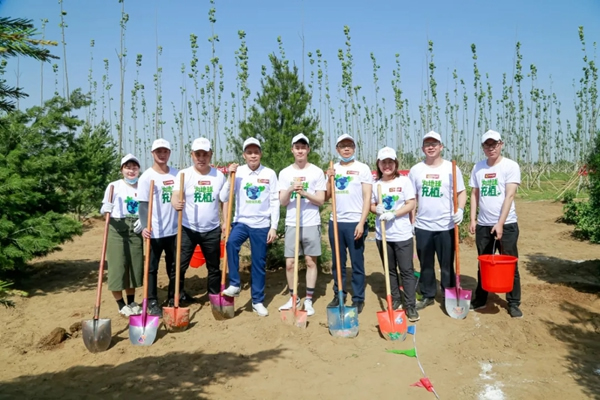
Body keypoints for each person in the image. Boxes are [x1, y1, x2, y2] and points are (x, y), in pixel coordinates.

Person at [221, 138, 280, 317]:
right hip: (241, 222)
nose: (253, 155)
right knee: (231, 243)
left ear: (260, 154)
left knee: (259, 263)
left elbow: (275, 201)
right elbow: (224, 197)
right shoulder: (237, 173)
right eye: (249, 152)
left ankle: (257, 301)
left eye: (256, 152)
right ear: (244, 155)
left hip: (262, 224)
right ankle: (235, 284)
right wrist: (229, 177)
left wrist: (274, 226)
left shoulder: (269, 174)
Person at [409, 131, 466, 310]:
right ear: (423, 148)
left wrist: (461, 210)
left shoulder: (451, 168)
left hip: (446, 226)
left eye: (434, 144)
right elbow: (412, 197)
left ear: (441, 147)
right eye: (427, 144)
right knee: (426, 263)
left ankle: (449, 293)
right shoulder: (416, 170)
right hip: (423, 226)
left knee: (447, 264)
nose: (431, 147)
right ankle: (428, 294)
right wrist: (412, 220)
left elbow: (461, 192)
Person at [469, 130, 522, 318]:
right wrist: (473, 219)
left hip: (506, 224)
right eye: (487, 145)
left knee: (510, 263)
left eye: (494, 144)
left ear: (501, 144)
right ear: (483, 147)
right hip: (483, 224)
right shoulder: (478, 168)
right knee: (484, 263)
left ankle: (513, 302)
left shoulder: (510, 166)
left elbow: (510, 195)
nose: (491, 148)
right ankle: (481, 298)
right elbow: (475, 194)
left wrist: (500, 224)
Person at [171, 137, 230, 305]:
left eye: (205, 154)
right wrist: (175, 201)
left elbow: (224, 200)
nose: (201, 158)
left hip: (211, 230)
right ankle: (176, 296)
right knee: (179, 266)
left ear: (210, 155)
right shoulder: (184, 175)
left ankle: (213, 296)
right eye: (198, 154)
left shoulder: (218, 176)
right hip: (188, 229)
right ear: (192, 155)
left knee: (213, 266)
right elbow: (176, 194)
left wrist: (225, 221)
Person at [278, 133, 326, 316]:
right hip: (292, 222)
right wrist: (291, 189)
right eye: (297, 147)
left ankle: (308, 299)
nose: (300, 150)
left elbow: (321, 200)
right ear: (292, 150)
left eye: (303, 147)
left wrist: (305, 193)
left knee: (310, 261)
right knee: (290, 263)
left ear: (308, 150)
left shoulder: (316, 172)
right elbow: (282, 202)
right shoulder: (285, 173)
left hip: (311, 222)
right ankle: (293, 297)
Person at [324, 133, 372, 314]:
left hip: (355, 222)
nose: (346, 148)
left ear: (354, 148)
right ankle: (339, 293)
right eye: (342, 146)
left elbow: (367, 197)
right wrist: (329, 179)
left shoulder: (363, 168)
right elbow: (327, 195)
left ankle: (358, 297)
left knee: (357, 261)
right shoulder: (332, 168)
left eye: (349, 145)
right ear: (337, 149)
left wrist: (362, 222)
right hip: (336, 222)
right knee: (338, 261)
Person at [371, 146, 419, 322]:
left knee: (406, 270)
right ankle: (395, 299)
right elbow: (370, 205)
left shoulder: (404, 182)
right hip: (383, 236)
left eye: (390, 162)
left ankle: (411, 305)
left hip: (402, 234)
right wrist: (377, 209)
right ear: (379, 164)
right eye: (384, 162)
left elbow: (410, 204)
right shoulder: (376, 185)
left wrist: (394, 213)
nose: (387, 165)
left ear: (395, 163)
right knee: (389, 270)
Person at [137, 138, 179, 317]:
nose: (162, 155)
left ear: (169, 153)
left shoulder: (177, 174)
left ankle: (174, 295)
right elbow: (143, 205)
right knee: (152, 267)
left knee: (174, 265)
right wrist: (145, 225)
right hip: (155, 231)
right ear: (152, 153)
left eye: (165, 151)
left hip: (174, 229)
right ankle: (152, 300)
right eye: (158, 152)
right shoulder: (147, 177)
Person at [101, 153, 144, 317]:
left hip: (135, 229)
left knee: (134, 265)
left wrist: (144, 220)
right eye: (128, 167)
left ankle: (132, 301)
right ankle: (121, 304)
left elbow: (146, 207)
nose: (131, 171)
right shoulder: (114, 186)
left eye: (134, 167)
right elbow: (104, 208)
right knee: (118, 266)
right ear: (122, 170)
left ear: (138, 169)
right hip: (117, 228)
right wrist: (106, 208)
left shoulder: (142, 187)